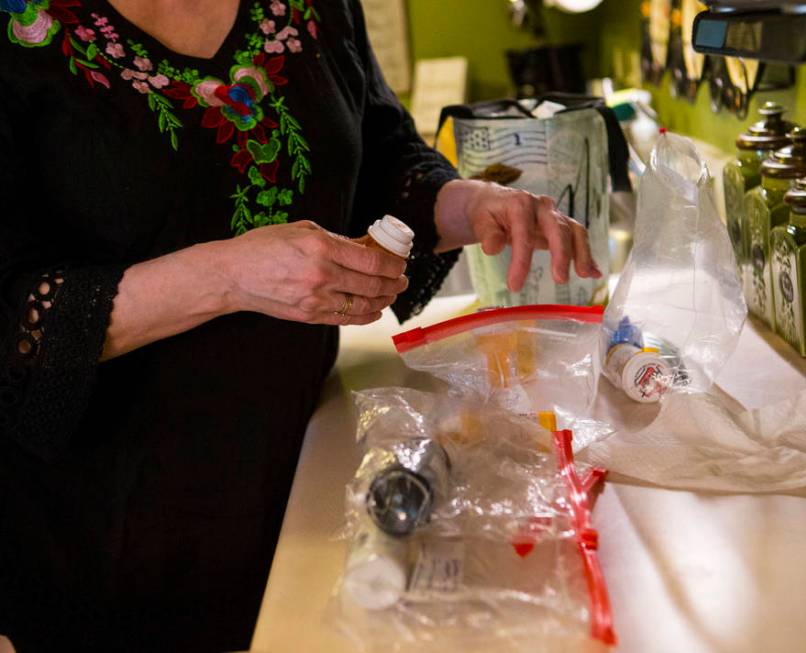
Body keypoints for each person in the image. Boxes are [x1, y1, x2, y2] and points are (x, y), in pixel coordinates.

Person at [0, 0, 601, 650]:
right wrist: (228, 277)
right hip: (115, 541)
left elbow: (379, 154)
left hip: (313, 483)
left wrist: (467, 204)